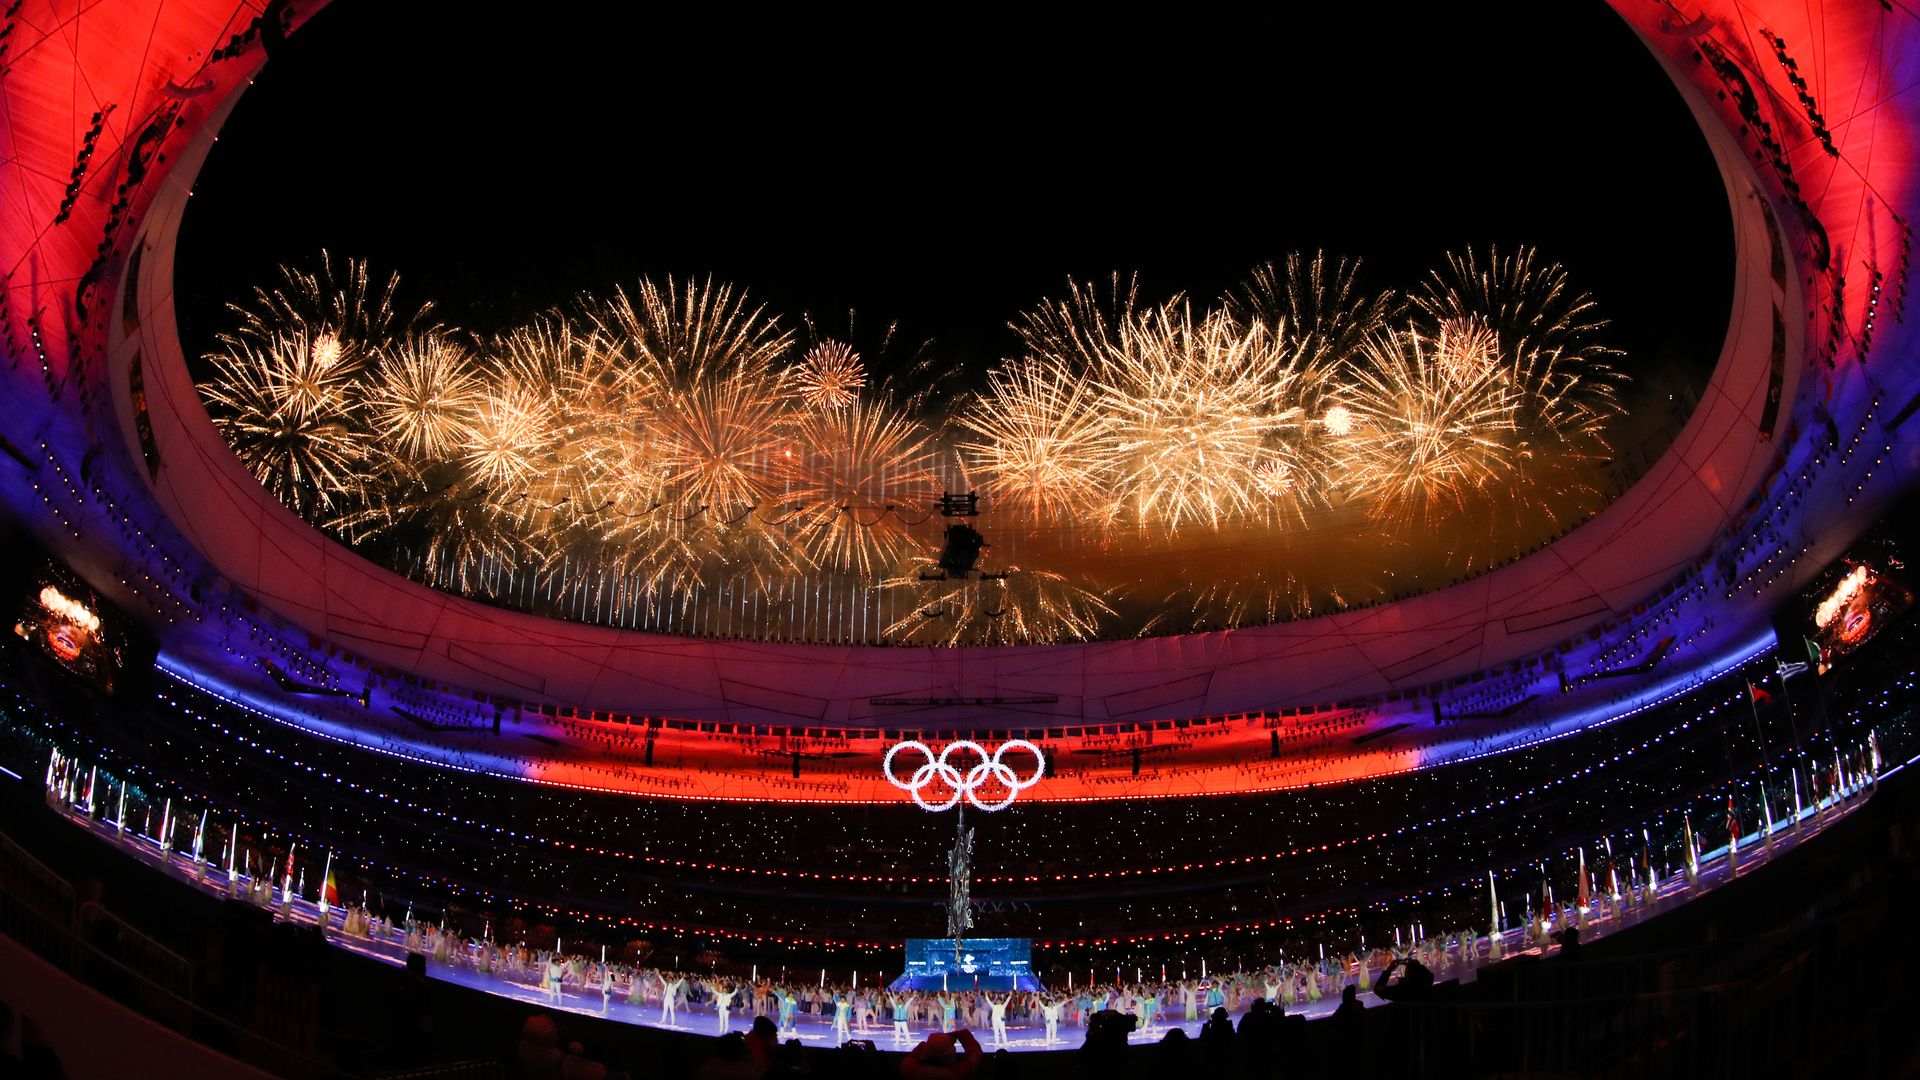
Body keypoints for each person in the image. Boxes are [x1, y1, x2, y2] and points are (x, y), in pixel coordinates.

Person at [902, 1029, 981, 1079]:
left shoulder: (911, 1071)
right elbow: (975, 1052)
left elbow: (913, 1056)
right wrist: (958, 1034)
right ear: (951, 1056)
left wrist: (930, 1044)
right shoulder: (958, 1073)